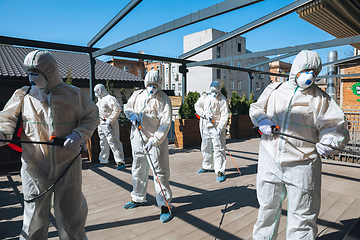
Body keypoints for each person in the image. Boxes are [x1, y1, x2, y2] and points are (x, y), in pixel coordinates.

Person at [250, 50, 350, 240]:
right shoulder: (274, 90)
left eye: (313, 72)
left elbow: (337, 127)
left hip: (302, 164)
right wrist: (262, 120)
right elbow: (256, 108)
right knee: (266, 211)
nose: (309, 75)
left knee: (302, 217)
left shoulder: (321, 100)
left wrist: (330, 141)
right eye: (305, 70)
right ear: (295, 68)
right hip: (270, 159)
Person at [0, 50, 99, 239]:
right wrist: (3, 132)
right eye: (29, 71)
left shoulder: (74, 94)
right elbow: (6, 118)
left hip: (67, 165)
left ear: (50, 71)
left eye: (36, 71)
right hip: (34, 166)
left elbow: (92, 115)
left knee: (72, 215)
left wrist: (79, 135)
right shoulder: (24, 94)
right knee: (33, 217)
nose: (32, 76)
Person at [123, 70, 173, 223]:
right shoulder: (137, 95)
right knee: (138, 169)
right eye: (149, 85)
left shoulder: (164, 100)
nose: (152, 88)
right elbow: (127, 107)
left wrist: (154, 140)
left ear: (159, 84)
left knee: (160, 172)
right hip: (138, 140)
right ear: (145, 84)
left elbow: (165, 123)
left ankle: (165, 204)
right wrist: (131, 116)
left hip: (155, 143)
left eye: (155, 85)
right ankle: (138, 197)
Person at [194, 81, 230, 182]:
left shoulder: (222, 100)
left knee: (219, 149)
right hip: (205, 126)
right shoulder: (205, 97)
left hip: (216, 128)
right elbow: (197, 106)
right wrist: (205, 114)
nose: (214, 93)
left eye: (216, 91)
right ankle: (206, 166)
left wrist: (220, 127)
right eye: (212, 91)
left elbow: (225, 115)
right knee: (206, 146)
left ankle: (220, 171)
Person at [93, 83, 125, 170]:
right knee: (103, 143)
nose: (96, 93)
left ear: (100, 90)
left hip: (110, 124)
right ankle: (103, 161)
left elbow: (117, 109)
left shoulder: (110, 99)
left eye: (97, 91)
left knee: (113, 142)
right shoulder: (99, 101)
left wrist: (110, 119)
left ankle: (120, 161)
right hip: (101, 125)